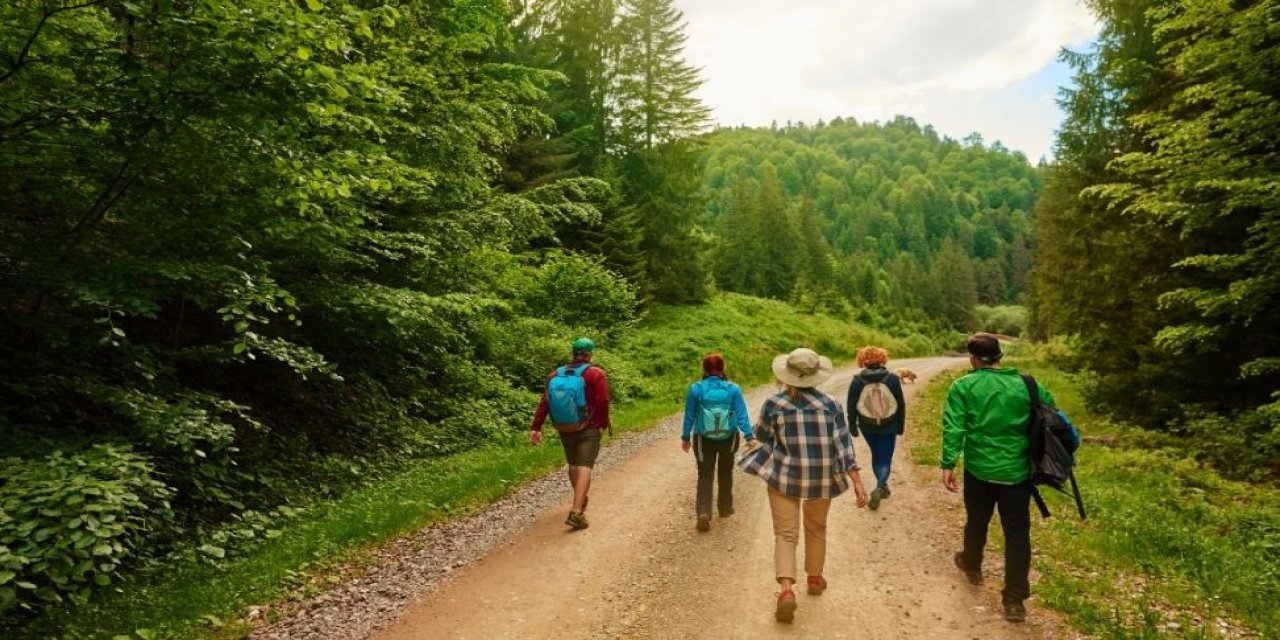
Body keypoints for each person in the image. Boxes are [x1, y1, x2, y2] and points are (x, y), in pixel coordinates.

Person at [738, 347, 869, 623]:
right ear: (815, 375)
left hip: (785, 477)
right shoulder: (832, 404)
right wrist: (856, 480)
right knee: (817, 527)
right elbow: (844, 445)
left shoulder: (775, 404)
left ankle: (786, 591)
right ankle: (814, 578)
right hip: (822, 478)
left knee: (785, 534)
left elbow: (761, 436)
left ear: (786, 376)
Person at [940, 333, 1054, 623]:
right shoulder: (1028, 385)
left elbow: (954, 427)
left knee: (977, 519)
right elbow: (1051, 414)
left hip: (979, 469)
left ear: (973, 358)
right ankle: (1014, 600)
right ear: (1000, 356)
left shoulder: (963, 386)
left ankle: (972, 564)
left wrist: (948, 463)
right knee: (1017, 533)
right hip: (1016, 472)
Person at [530, 337, 611, 530]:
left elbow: (545, 402)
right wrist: (602, 424)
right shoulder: (596, 374)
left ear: (572, 353)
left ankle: (579, 500)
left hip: (564, 426)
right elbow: (602, 401)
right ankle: (576, 512)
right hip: (589, 426)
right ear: (591, 354)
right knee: (585, 466)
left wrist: (536, 427)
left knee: (573, 464)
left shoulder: (555, 375)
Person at [681, 354, 754, 532]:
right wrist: (749, 436)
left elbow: (689, 415)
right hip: (728, 437)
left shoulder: (696, 389)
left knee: (705, 474)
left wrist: (685, 437)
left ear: (704, 369)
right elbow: (742, 414)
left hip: (702, 437)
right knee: (725, 471)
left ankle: (704, 512)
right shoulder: (733, 389)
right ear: (722, 368)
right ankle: (725, 508)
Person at [845, 346, 906, 510]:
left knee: (876, 455)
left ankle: (881, 486)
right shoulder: (892, 378)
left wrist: (853, 427)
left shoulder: (857, 380)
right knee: (885, 458)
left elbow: (851, 406)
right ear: (882, 359)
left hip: (867, 425)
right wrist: (900, 426)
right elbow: (900, 404)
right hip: (890, 424)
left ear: (862, 360)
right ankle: (880, 487)